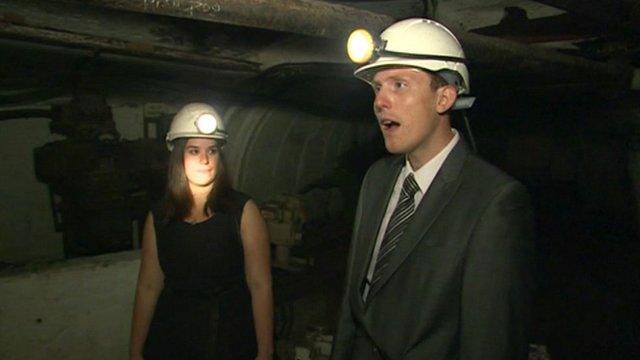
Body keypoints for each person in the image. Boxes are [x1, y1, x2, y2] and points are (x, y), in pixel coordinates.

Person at [332, 18, 534, 359]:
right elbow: (354, 309)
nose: (380, 101)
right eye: (376, 88)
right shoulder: (376, 179)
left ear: (444, 98)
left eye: (399, 84)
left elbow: (490, 342)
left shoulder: (494, 201)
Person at [129, 103, 274, 359]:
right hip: (172, 339)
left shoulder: (243, 212)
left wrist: (265, 352)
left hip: (229, 339)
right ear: (178, 156)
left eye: (212, 150)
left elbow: (260, 285)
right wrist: (135, 352)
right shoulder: (159, 217)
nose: (205, 159)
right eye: (194, 150)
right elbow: (149, 286)